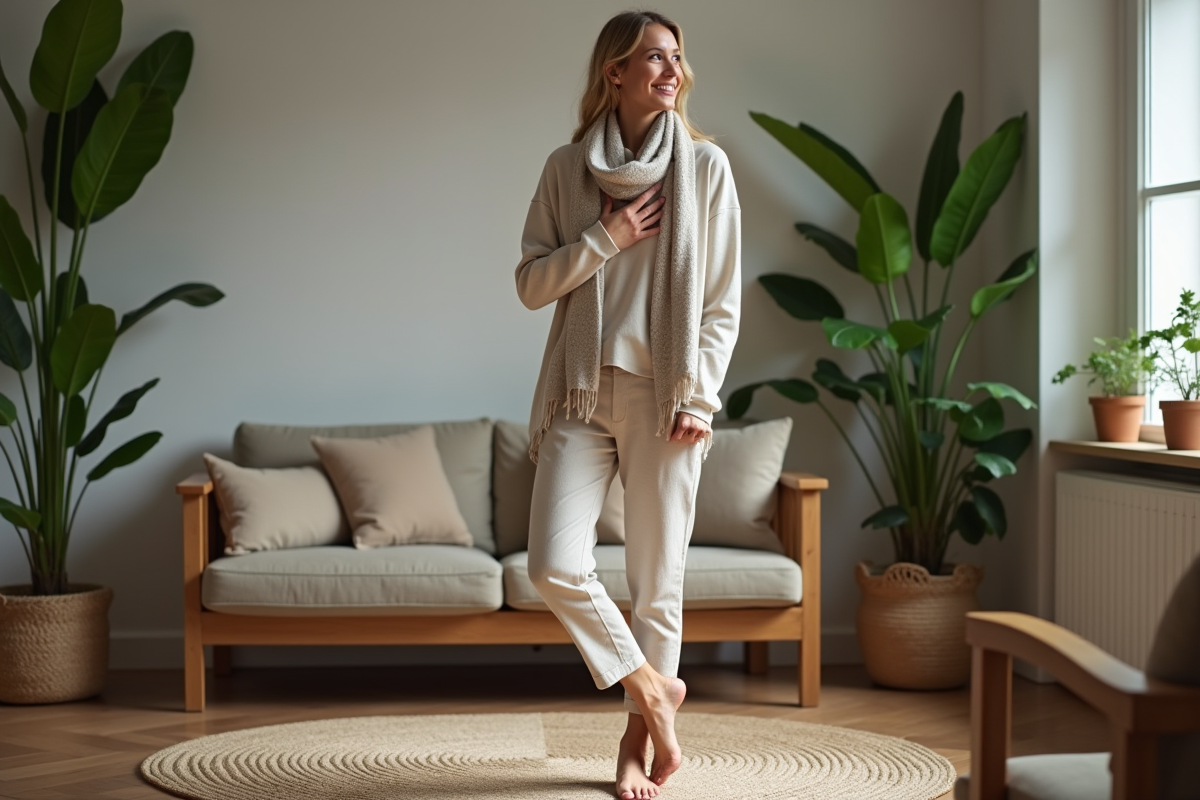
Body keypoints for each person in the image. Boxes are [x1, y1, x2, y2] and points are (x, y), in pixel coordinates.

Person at [514, 9, 740, 800]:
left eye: (677, 57)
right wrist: (604, 238)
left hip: (667, 399)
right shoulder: (566, 170)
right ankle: (650, 685)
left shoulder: (706, 169)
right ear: (615, 72)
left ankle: (635, 753)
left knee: (657, 583)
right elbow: (530, 284)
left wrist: (702, 400)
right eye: (654, 58)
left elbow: (721, 304)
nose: (672, 70)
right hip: (580, 393)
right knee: (552, 562)